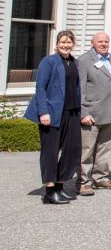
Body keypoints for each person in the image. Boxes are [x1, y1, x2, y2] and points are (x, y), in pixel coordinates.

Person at [24, 31, 81, 205]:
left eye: (69, 42)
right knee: (50, 152)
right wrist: (43, 112)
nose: (66, 45)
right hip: (52, 113)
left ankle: (59, 186)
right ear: (57, 44)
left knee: (73, 150)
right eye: (63, 42)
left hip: (71, 112)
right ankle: (49, 191)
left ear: (73, 44)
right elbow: (40, 87)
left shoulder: (74, 62)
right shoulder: (48, 61)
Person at [76, 31, 111, 196]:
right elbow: (79, 89)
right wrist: (83, 112)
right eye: (100, 42)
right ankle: (83, 181)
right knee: (86, 150)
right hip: (91, 113)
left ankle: (100, 177)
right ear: (92, 43)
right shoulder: (84, 60)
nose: (104, 44)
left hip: (109, 112)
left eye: (106, 42)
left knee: (104, 148)